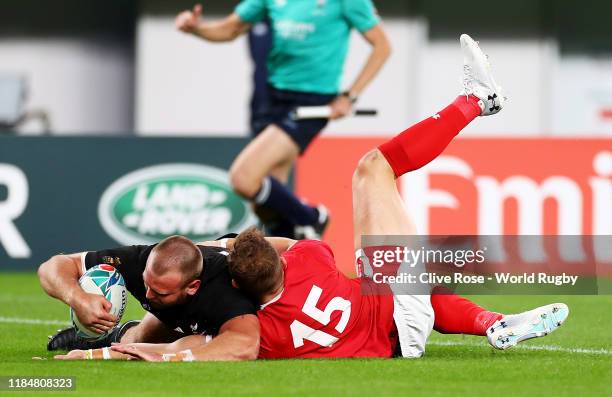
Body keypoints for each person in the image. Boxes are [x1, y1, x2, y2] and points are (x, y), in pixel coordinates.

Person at [57, 35, 568, 362]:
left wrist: (123, 348)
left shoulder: (251, 324)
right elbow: (261, 252)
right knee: (375, 169)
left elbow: (195, 341)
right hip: (390, 319)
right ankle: (477, 101)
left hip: (390, 334)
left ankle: (494, 323)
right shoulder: (309, 257)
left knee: (405, 278)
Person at [175, 1, 391, 239]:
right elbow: (231, 28)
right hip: (273, 97)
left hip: (312, 104)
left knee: (244, 178)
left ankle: (313, 217)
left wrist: (350, 96)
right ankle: (291, 252)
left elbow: (382, 46)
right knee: (267, 204)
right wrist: (196, 28)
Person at [40, 235, 260, 361]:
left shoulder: (225, 292)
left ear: (192, 286)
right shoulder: (139, 260)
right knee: (141, 339)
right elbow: (53, 267)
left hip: (216, 322)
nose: (147, 295)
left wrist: (169, 359)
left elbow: (245, 346)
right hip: (178, 311)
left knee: (178, 344)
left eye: (160, 292)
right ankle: (98, 337)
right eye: (146, 282)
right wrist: (77, 298)